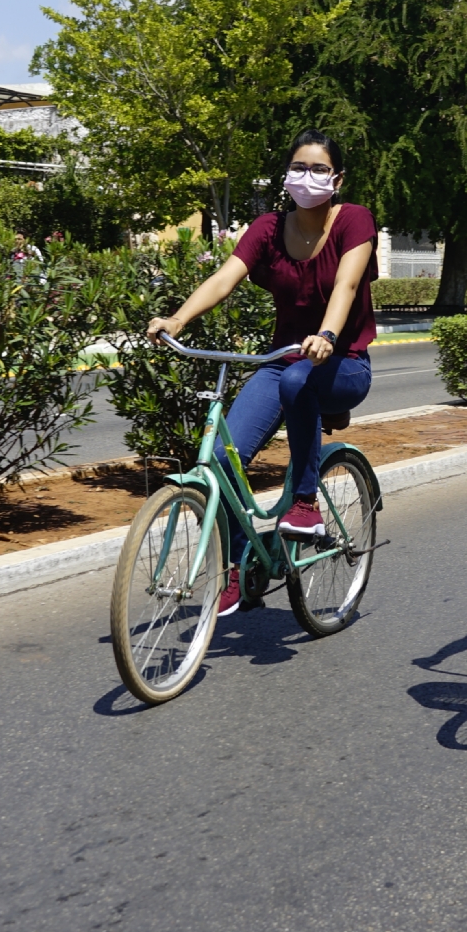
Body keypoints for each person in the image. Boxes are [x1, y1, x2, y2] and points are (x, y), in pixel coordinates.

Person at [146, 129, 377, 616]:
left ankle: (307, 503)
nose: (306, 177)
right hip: (283, 361)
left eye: (318, 169)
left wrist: (328, 337)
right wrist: (177, 319)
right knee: (225, 462)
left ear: (337, 178)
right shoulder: (268, 228)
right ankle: (233, 568)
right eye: (298, 167)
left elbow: (348, 285)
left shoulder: (353, 220)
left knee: (298, 381)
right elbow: (224, 278)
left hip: (344, 363)